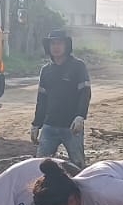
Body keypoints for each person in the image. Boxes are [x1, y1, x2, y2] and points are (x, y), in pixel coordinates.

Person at [31, 29, 91, 166]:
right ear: (48, 47)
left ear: (66, 46)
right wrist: (36, 124)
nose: (56, 47)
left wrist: (80, 116)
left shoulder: (78, 66)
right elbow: (42, 100)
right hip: (49, 126)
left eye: (59, 43)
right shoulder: (46, 70)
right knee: (40, 165)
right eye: (53, 44)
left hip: (72, 126)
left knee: (77, 165)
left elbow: (85, 93)